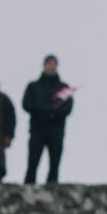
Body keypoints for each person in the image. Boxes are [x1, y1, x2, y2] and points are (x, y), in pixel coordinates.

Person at [22, 56, 74, 186]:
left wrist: (55, 114)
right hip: (37, 128)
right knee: (33, 160)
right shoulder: (33, 86)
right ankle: (29, 185)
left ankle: (52, 186)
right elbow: (26, 104)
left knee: (54, 161)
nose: (51, 67)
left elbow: (68, 107)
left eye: (54, 64)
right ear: (44, 65)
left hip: (56, 129)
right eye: (49, 64)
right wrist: (41, 112)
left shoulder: (63, 88)